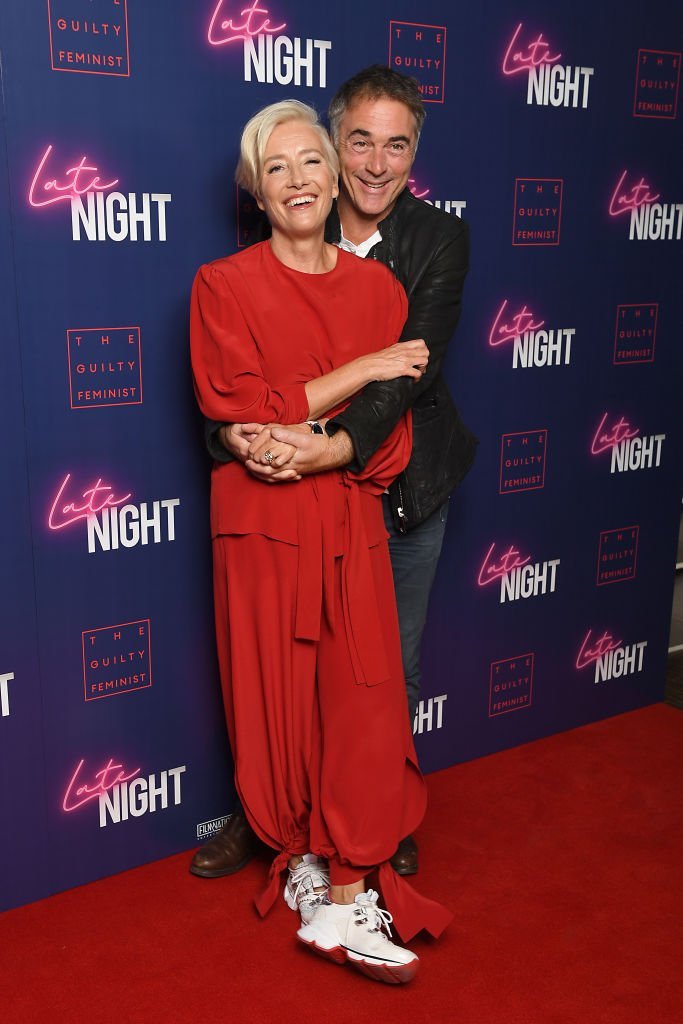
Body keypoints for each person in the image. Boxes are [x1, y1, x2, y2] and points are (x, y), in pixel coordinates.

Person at [192, 67, 476, 882]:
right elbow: (235, 391)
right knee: (275, 671)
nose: (375, 163)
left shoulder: (429, 247)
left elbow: (403, 377)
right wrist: (239, 436)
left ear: (414, 155)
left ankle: (371, 813)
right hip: (281, 497)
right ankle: (269, 813)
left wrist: (330, 448)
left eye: (396, 146)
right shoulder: (238, 274)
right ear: (334, 146)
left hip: (397, 482)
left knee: (382, 668)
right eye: (358, 142)